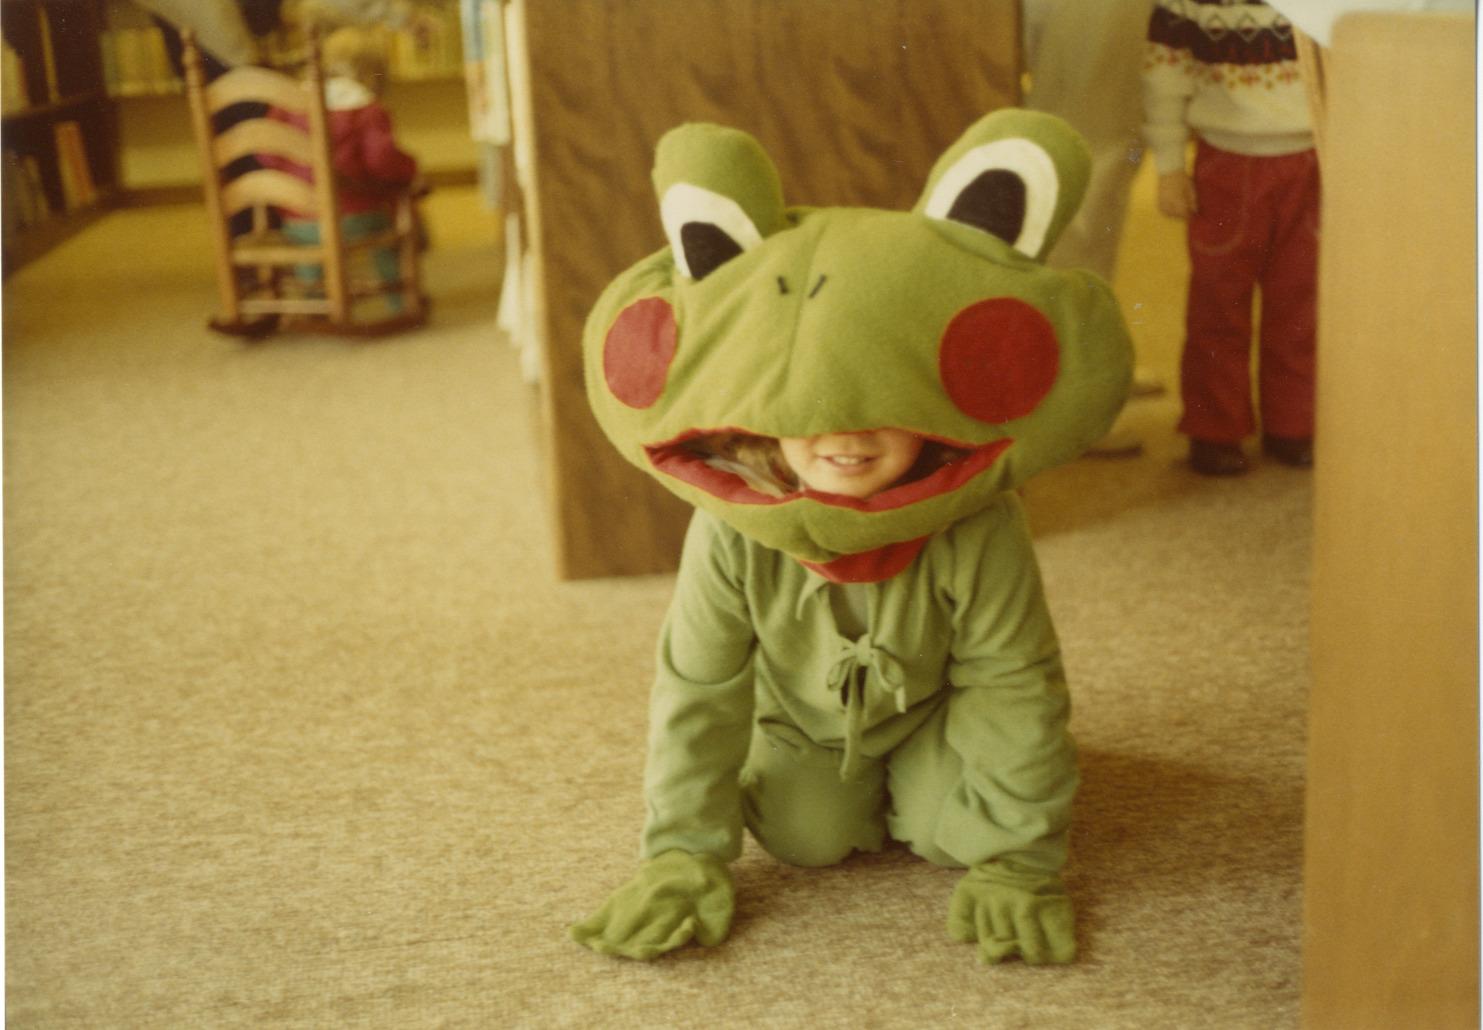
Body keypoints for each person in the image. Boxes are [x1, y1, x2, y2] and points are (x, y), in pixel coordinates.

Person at [568, 112, 1134, 965]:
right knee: (808, 838)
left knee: (955, 832)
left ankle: (933, 790)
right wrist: (681, 852)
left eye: (880, 411)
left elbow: (1014, 681)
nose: (845, 439)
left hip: (932, 714)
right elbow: (697, 688)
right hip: (799, 725)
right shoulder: (728, 531)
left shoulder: (979, 528)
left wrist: (1020, 859)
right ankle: (820, 774)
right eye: (813, 417)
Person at [1142, 0, 1319, 475]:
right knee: (1217, 302)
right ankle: (1215, 428)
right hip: (1227, 163)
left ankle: (1294, 421)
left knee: (1301, 301)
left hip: (1311, 158)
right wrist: (1169, 165)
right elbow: (1164, 76)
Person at [261, 26, 422, 308]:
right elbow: (382, 160)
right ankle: (398, 299)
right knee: (386, 228)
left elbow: (267, 154)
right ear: (374, 73)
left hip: (297, 219)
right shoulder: (365, 108)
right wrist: (410, 170)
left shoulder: (288, 104)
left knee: (309, 245)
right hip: (353, 217)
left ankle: (315, 300)